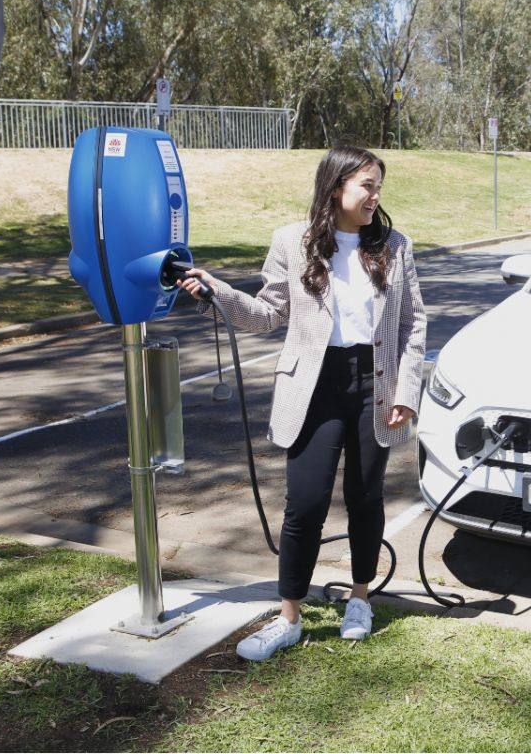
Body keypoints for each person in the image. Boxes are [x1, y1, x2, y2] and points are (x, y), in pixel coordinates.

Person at [178, 146, 427, 661]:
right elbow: (266, 313)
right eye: (367, 185)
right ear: (336, 186)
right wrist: (215, 291)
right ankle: (288, 615)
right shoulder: (293, 242)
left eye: (378, 185)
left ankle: (359, 599)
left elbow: (412, 325)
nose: (375, 194)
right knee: (306, 504)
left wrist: (406, 394)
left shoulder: (395, 246)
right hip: (313, 386)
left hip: (373, 385)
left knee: (365, 498)